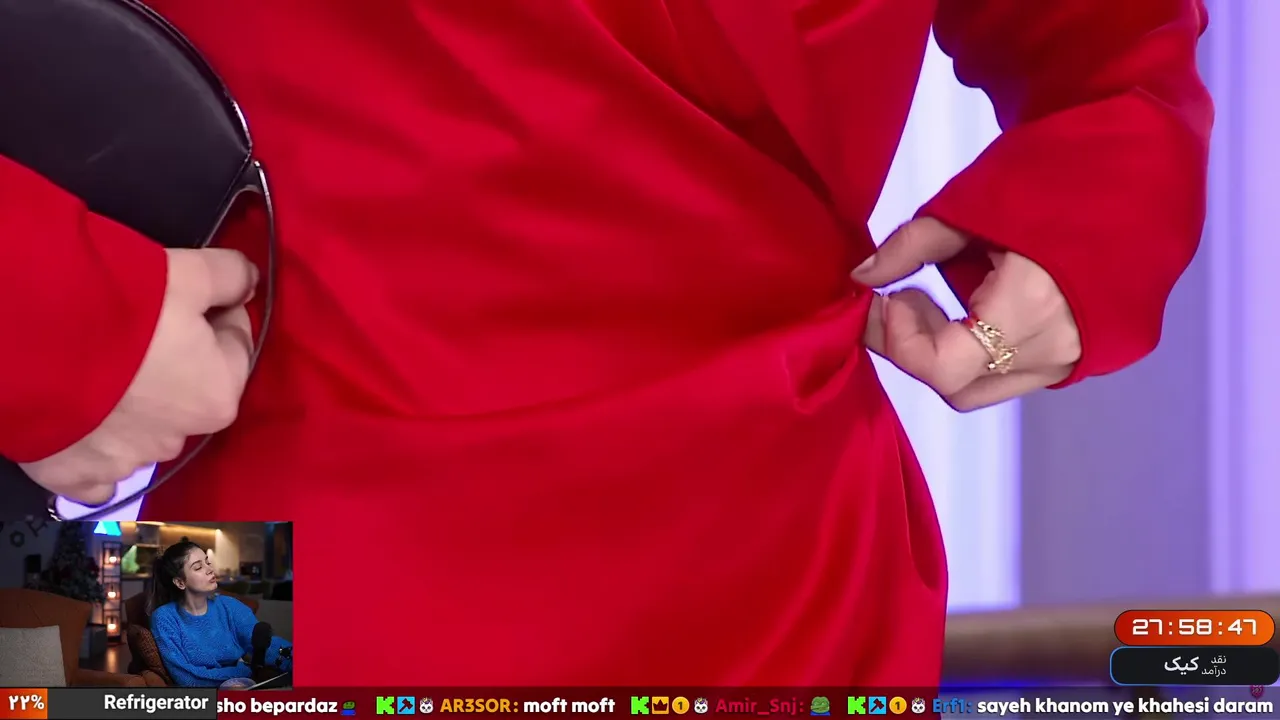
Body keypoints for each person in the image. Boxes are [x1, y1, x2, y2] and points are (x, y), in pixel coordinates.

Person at [0, 0, 1211, 685]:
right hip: (214, 528)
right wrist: (48, 311)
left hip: (765, 579)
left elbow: (1110, 47)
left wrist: (1098, 195)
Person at [147, 541, 292, 689]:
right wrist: (245, 672)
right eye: (198, 567)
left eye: (207, 562)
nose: (210, 569)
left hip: (243, 685)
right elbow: (188, 678)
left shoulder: (230, 606)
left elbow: (267, 646)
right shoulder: (164, 618)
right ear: (180, 582)